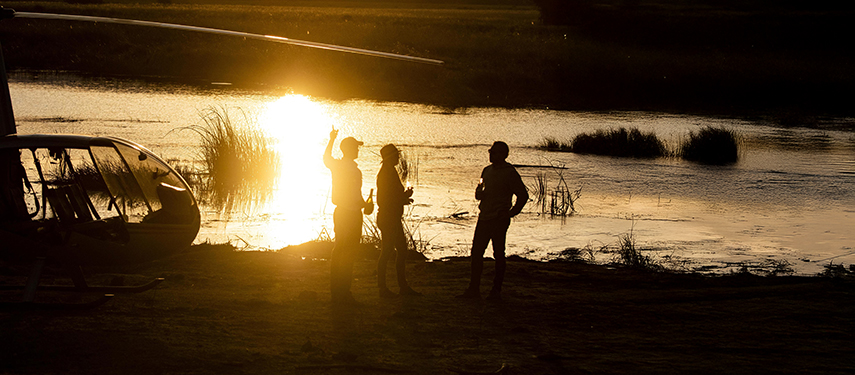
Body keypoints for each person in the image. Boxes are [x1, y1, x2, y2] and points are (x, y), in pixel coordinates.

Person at [458, 141, 528, 301]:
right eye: (490, 151)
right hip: (484, 217)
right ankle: (473, 289)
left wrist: (511, 213)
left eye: (494, 152)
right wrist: (479, 193)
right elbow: (481, 192)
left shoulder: (510, 173)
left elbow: (523, 195)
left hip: (498, 219)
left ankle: (496, 291)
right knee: (476, 254)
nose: (491, 154)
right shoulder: (487, 170)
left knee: (498, 254)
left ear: (503, 154)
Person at [324, 127, 373, 305]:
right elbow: (354, 195)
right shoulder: (347, 168)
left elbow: (326, 159)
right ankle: (341, 292)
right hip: (348, 214)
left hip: (350, 213)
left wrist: (365, 204)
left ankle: (340, 291)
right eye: (356, 147)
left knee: (343, 252)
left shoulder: (344, 167)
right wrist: (365, 205)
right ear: (349, 149)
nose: (358, 150)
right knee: (344, 252)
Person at [376, 144, 420, 298]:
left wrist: (403, 198)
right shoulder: (386, 173)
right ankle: (387, 288)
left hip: (391, 217)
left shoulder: (389, 171)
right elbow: (383, 200)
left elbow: (390, 197)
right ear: (389, 157)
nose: (398, 158)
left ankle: (400, 286)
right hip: (389, 218)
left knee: (397, 250)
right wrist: (403, 198)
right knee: (390, 251)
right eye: (396, 155)